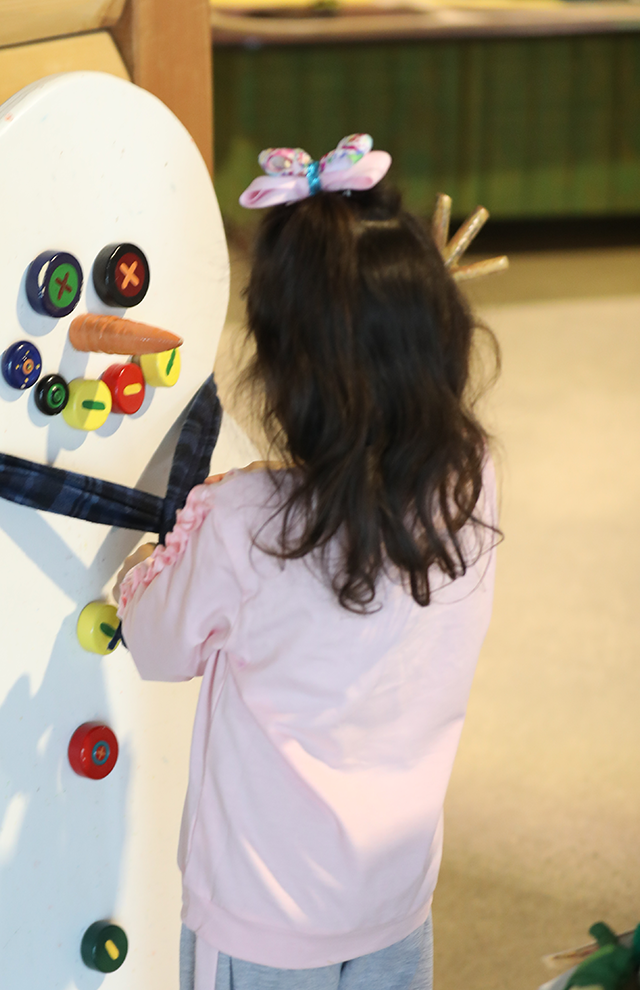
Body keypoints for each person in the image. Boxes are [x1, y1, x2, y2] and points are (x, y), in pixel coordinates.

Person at [113, 137, 500, 990]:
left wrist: (147, 560)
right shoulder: (472, 488)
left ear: (283, 372)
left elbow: (154, 644)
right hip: (394, 896)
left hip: (263, 919)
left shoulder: (244, 522)